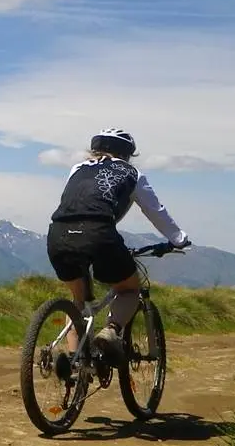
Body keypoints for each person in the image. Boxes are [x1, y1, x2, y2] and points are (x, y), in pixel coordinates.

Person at [46, 128, 191, 361]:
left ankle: (75, 363)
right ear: (127, 154)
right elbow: (155, 211)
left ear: (94, 149)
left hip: (58, 232)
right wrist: (178, 238)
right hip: (99, 233)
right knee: (129, 289)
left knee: (79, 303)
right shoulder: (132, 173)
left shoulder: (78, 169)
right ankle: (111, 331)